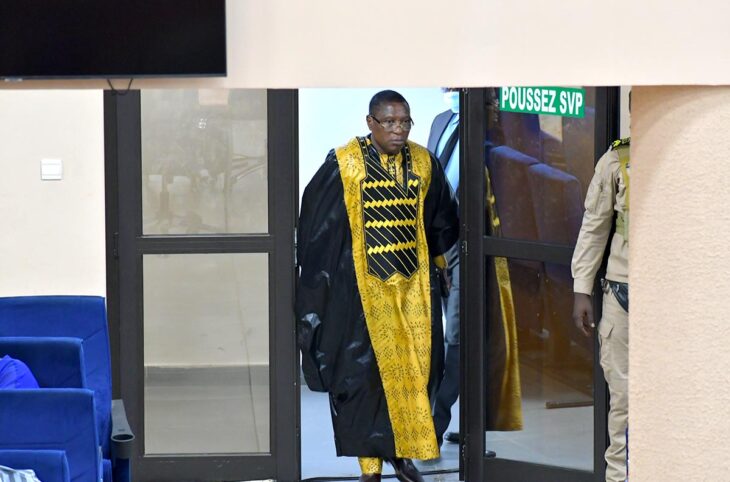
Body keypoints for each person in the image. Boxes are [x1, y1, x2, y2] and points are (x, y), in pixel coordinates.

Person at [296, 90, 459, 482]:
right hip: (362, 293)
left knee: (417, 373)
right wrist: (323, 285)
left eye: (404, 122)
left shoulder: (423, 162)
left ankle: (403, 457)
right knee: (364, 379)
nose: (398, 130)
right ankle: (370, 466)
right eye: (389, 122)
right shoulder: (346, 164)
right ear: (370, 123)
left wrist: (440, 263)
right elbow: (319, 226)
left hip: (414, 290)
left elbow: (437, 218)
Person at [572, 136, 630, 482]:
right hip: (624, 294)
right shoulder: (616, 161)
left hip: (674, 303)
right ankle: (618, 478)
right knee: (623, 400)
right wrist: (582, 289)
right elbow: (594, 227)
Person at [426, 88, 461, 448]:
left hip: (471, 240)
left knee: (458, 335)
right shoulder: (440, 122)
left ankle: (436, 422)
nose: (449, 91)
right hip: (437, 240)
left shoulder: (490, 125)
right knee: (436, 332)